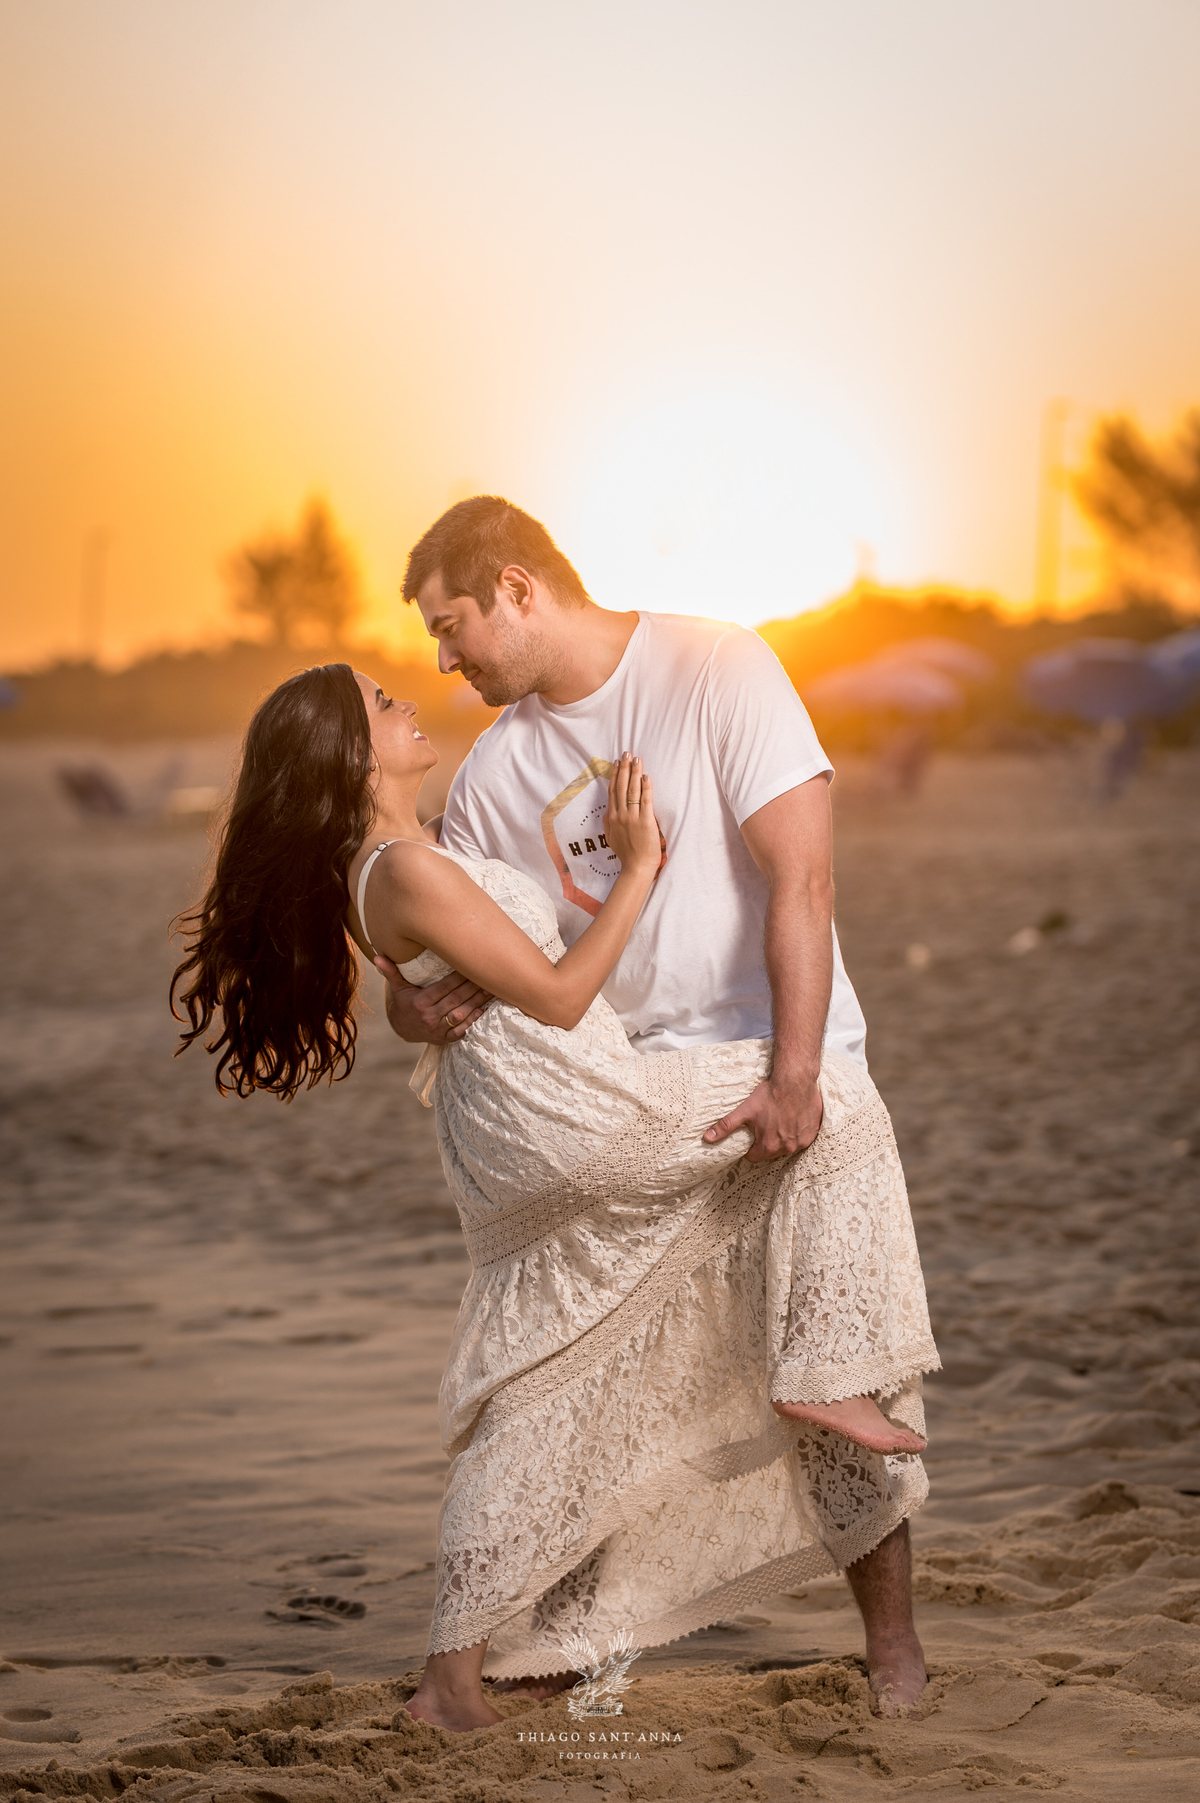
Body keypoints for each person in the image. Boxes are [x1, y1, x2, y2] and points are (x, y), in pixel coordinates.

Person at [373, 496, 939, 1720]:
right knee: (597, 1378)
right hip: (637, 1099)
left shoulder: (717, 666)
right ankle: (563, 1640)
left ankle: (894, 1653)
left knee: (842, 1364)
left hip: (778, 1058)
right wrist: (410, 1012)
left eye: (453, 623)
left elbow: (805, 874)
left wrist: (795, 1073)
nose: (443, 657)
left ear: (519, 586)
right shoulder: (489, 779)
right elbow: (465, 952)